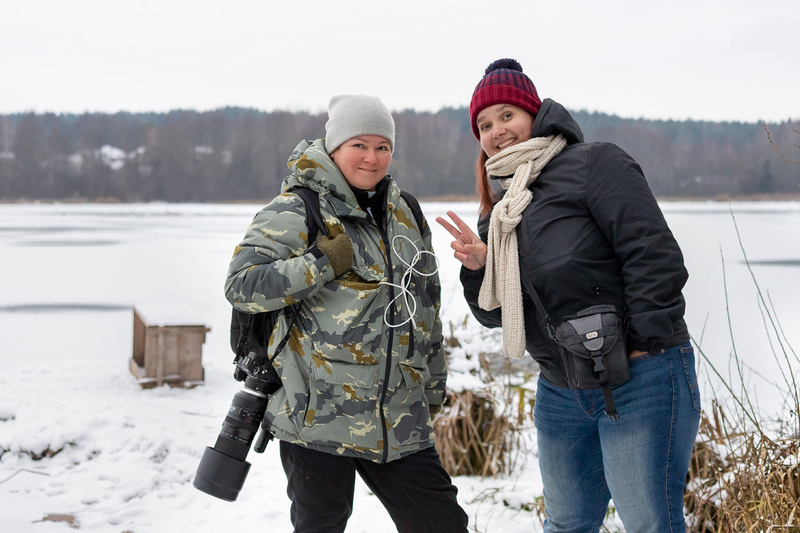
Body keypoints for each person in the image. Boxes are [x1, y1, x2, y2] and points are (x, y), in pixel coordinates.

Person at [436, 59, 701, 532]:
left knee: (649, 524)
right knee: (566, 525)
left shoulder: (595, 163)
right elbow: (496, 316)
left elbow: (653, 254)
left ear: (534, 114)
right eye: (484, 124)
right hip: (561, 387)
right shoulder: (499, 211)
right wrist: (479, 269)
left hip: (640, 377)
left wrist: (639, 347)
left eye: (507, 115)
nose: (497, 131)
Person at [225, 94, 468, 533]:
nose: (372, 158)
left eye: (383, 146)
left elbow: (425, 307)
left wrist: (431, 388)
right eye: (359, 144)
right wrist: (319, 264)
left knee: (443, 525)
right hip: (317, 419)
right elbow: (241, 286)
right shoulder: (298, 208)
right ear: (334, 147)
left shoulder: (405, 211)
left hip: (400, 417)